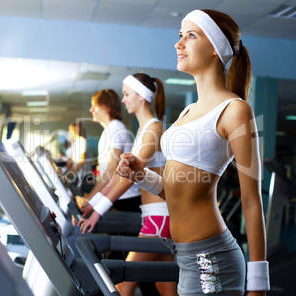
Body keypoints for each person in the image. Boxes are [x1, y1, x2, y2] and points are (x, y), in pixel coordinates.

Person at [117, 9, 269, 296]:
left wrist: (258, 286)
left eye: (190, 35)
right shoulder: (187, 112)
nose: (179, 43)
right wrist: (141, 174)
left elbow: (251, 202)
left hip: (212, 259)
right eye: (179, 36)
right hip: (185, 254)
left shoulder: (235, 111)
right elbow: (176, 191)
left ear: (215, 47)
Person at [78, 74, 178, 296]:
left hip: (159, 219)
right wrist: (93, 206)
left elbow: (130, 175)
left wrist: (98, 212)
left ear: (141, 96)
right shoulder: (144, 130)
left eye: (126, 94)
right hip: (155, 216)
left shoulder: (154, 129)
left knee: (124, 287)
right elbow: (117, 175)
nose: (123, 100)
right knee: (166, 287)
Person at [77, 89, 141, 212]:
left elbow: (112, 169)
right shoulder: (110, 129)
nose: (91, 110)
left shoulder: (115, 128)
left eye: (94, 106)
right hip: (117, 196)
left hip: (124, 199)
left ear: (106, 106)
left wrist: (90, 198)